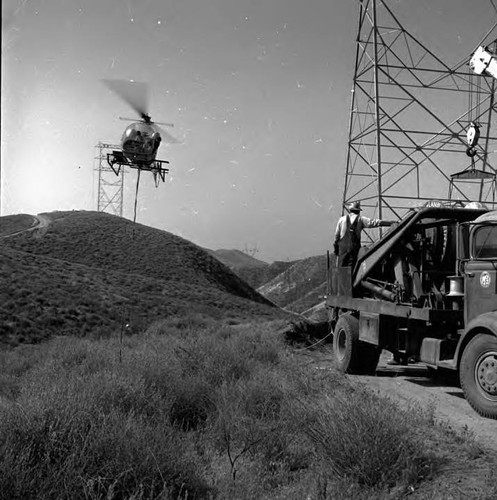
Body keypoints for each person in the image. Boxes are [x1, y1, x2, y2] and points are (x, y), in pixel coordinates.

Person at [333, 201, 394, 268]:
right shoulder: (360, 219)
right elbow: (374, 222)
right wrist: (390, 223)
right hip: (354, 249)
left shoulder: (342, 219)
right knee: (353, 268)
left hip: (342, 248)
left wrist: (336, 247)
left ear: (350, 210)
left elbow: (337, 236)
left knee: (341, 269)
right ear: (358, 211)